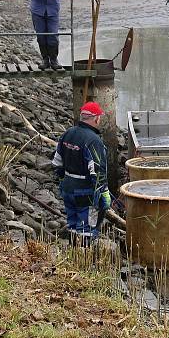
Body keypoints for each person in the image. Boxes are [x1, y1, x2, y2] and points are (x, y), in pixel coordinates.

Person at [52, 101, 113, 240]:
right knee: (88, 228)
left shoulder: (68, 133)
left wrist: (63, 180)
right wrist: (104, 192)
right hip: (86, 193)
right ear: (96, 118)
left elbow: (56, 162)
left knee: (73, 225)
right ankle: (85, 255)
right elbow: (97, 171)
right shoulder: (94, 140)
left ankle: (73, 256)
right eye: (100, 117)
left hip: (67, 189)